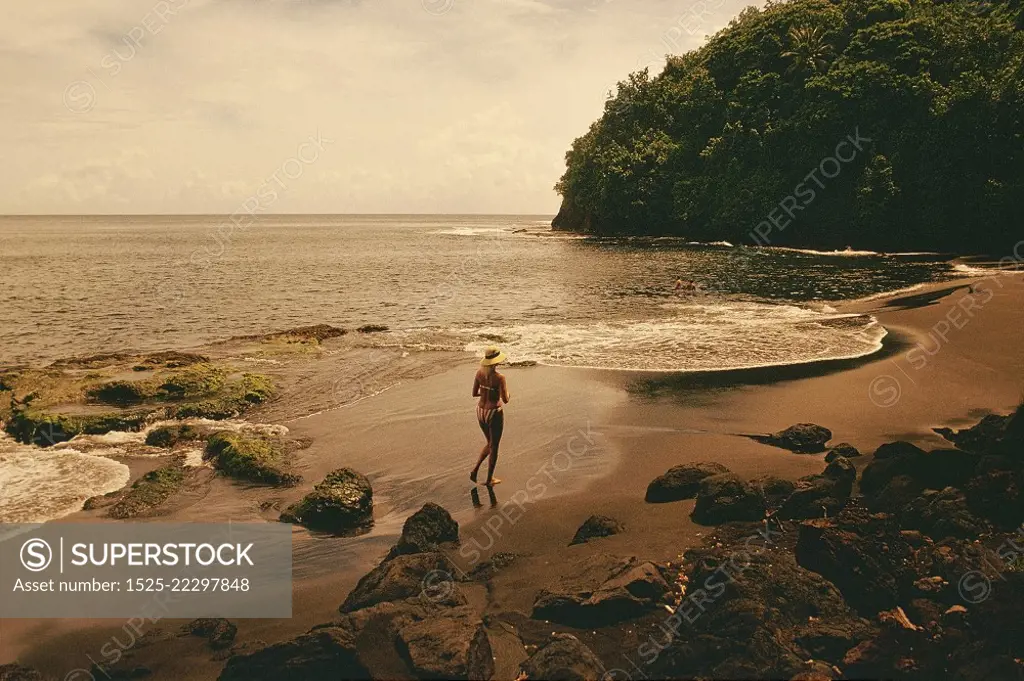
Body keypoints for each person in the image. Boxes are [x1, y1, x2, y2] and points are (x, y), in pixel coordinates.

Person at [471, 345, 510, 486]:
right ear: (496, 361)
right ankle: (489, 479)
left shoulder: (479, 373)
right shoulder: (500, 378)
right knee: (494, 446)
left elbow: (474, 393)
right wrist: (505, 394)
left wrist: (486, 391)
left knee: (489, 443)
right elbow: (505, 399)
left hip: (480, 411)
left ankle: (475, 470)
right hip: (494, 412)